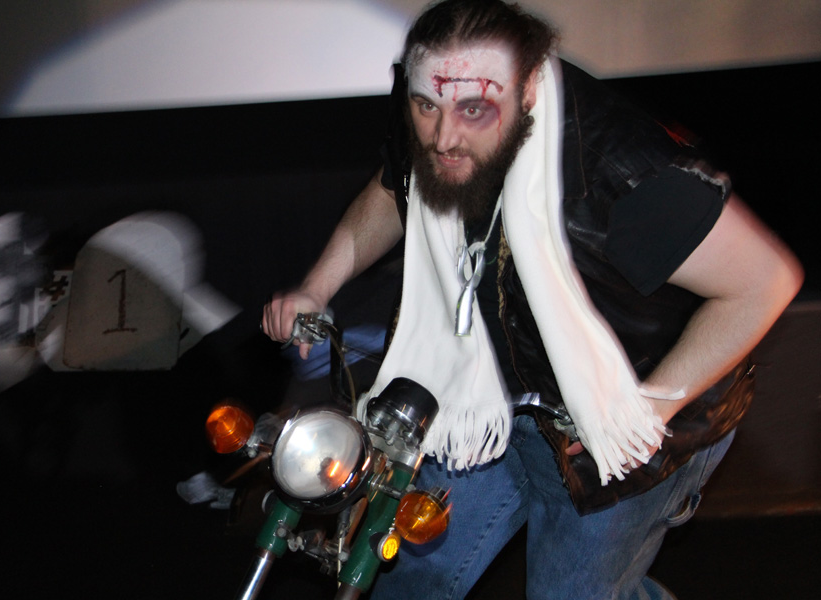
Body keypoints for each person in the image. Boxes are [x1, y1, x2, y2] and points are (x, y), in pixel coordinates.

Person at [262, 1, 804, 598]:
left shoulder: (621, 170)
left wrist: (646, 412)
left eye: (474, 110)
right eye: (426, 107)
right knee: (410, 580)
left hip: (619, 417)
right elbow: (396, 186)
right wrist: (318, 284)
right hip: (481, 396)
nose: (444, 137)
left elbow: (765, 282)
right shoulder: (435, 98)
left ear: (525, 95)